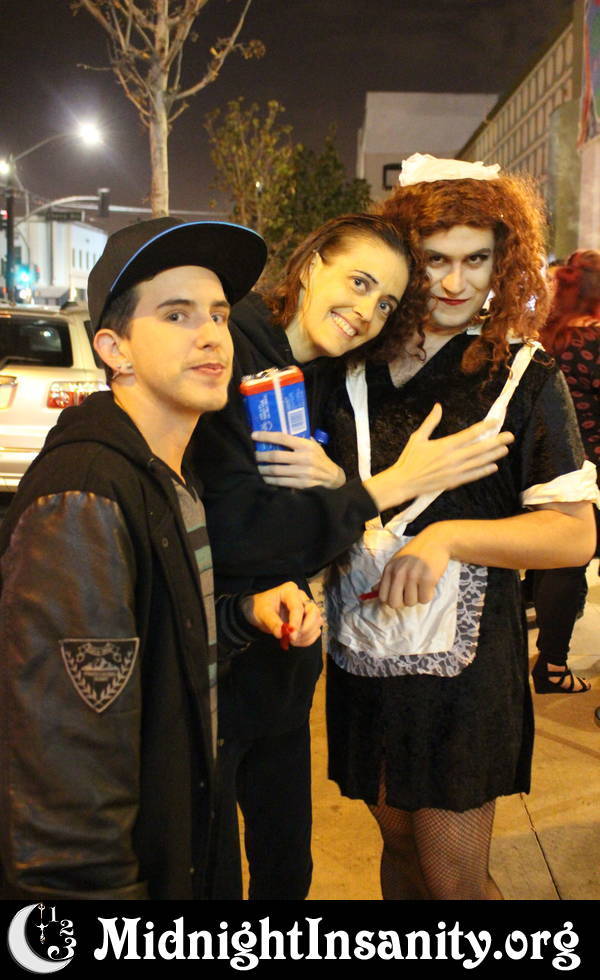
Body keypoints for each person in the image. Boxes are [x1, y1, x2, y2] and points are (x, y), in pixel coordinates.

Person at [268, 155, 597, 900]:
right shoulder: (346, 367)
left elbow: (574, 534)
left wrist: (448, 538)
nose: (456, 282)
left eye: (475, 259)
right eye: (436, 260)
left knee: (456, 881)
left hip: (467, 676)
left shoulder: (523, 375)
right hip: (362, 654)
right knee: (399, 852)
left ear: (502, 262)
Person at [190, 212, 514, 899]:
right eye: (359, 282)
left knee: (286, 864)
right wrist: (390, 486)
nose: (367, 311)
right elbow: (236, 530)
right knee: (206, 868)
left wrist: (347, 491)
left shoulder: (332, 379)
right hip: (208, 654)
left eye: (387, 301)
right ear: (313, 265)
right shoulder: (231, 351)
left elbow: (321, 523)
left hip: (288, 658)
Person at [0, 216, 324, 901]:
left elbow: (157, 649)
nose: (211, 335)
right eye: (176, 315)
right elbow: (66, 774)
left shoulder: (168, 475)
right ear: (113, 348)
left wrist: (242, 615)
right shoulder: (85, 497)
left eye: (218, 314)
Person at [528, 249, 600, 693]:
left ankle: (551, 662)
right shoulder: (594, 339)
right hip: (592, 469)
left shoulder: (547, 335)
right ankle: (552, 666)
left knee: (560, 563)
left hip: (552, 465)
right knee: (572, 561)